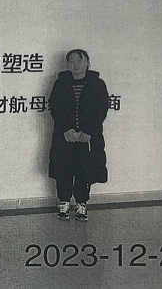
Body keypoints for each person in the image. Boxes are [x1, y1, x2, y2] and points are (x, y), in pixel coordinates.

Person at [48, 49, 109, 221]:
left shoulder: (97, 84)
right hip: (64, 136)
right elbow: (55, 107)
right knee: (63, 169)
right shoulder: (61, 83)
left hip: (87, 137)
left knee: (85, 169)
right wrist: (66, 129)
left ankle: (81, 203)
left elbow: (101, 110)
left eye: (79, 61)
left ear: (88, 62)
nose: (75, 65)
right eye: (71, 61)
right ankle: (64, 202)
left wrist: (89, 131)